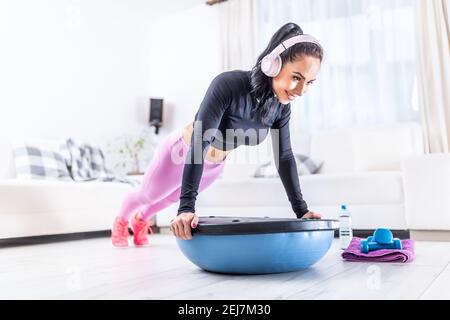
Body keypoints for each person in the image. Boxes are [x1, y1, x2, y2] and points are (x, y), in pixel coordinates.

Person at [111, 22, 323, 247]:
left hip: (214, 165)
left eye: (309, 82)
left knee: (171, 197)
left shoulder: (281, 108)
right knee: (149, 195)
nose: (301, 91)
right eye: (296, 77)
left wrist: (302, 211)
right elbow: (200, 140)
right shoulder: (229, 84)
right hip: (182, 152)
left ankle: (141, 219)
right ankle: (121, 220)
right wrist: (186, 209)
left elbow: (284, 157)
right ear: (273, 64)